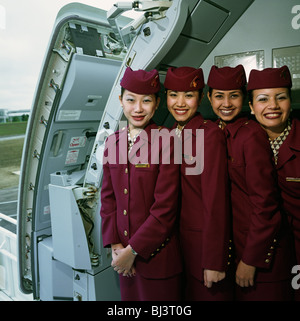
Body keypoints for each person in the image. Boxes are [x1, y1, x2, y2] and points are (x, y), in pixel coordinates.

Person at [207, 64, 294, 300]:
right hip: (238, 249)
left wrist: (251, 259)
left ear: (243, 100)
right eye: (219, 96)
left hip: (263, 255)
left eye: (233, 95)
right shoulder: (217, 131)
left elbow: (265, 205)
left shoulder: (250, 135)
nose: (226, 103)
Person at [100, 67, 182, 301]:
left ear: (157, 104)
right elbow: (108, 200)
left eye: (146, 101)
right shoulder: (112, 143)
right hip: (124, 261)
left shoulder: (167, 141)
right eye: (130, 100)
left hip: (158, 261)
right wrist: (116, 244)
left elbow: (165, 209)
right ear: (120, 101)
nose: (138, 108)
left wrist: (132, 250)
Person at [164, 66, 232, 300]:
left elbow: (216, 202)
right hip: (175, 248)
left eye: (189, 95)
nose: (180, 103)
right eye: (173, 95)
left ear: (201, 97)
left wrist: (215, 260)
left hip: (203, 249)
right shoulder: (169, 134)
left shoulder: (210, 135)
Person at [248, 65, 299, 300]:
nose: (273, 106)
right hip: (264, 254)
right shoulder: (242, 142)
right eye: (263, 99)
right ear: (251, 107)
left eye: (281, 97)